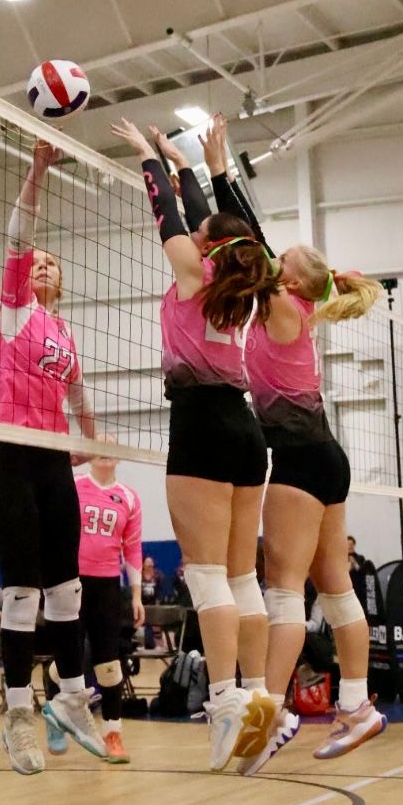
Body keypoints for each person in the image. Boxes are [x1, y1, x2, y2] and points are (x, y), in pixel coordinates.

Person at [195, 115, 386, 772]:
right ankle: (357, 707)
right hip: (326, 457)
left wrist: (218, 172)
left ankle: (265, 717)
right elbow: (250, 244)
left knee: (283, 592)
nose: (281, 258)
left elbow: (248, 236)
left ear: (296, 280)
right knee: (334, 588)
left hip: (302, 462)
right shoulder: (294, 312)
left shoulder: (283, 306)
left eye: (289, 259)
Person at [110, 118, 278, 772]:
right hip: (245, 428)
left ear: (207, 245)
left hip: (202, 426)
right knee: (243, 579)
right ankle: (260, 699)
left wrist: (154, 160)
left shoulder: (193, 272)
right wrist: (202, 168)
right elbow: (222, 226)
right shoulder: (244, 278)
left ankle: (226, 704)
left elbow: (170, 220)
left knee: (208, 577)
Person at [0, 139, 108, 775]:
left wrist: (93, 440)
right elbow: (17, 234)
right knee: (24, 590)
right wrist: (36, 171)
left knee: (69, 589)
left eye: (53, 264)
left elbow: (78, 392)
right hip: (10, 454)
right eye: (38, 262)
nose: (43, 267)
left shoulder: (64, 333)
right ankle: (18, 714)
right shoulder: (16, 313)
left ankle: (74, 697)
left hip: (54, 458)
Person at [46, 451, 145, 763]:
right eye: (97, 446)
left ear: (118, 457)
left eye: (110, 447)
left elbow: (133, 547)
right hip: (71, 580)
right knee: (68, 658)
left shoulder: (129, 497)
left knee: (109, 664)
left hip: (106, 585)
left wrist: (137, 595)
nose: (104, 452)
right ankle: (56, 716)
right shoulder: (73, 486)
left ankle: (113, 734)